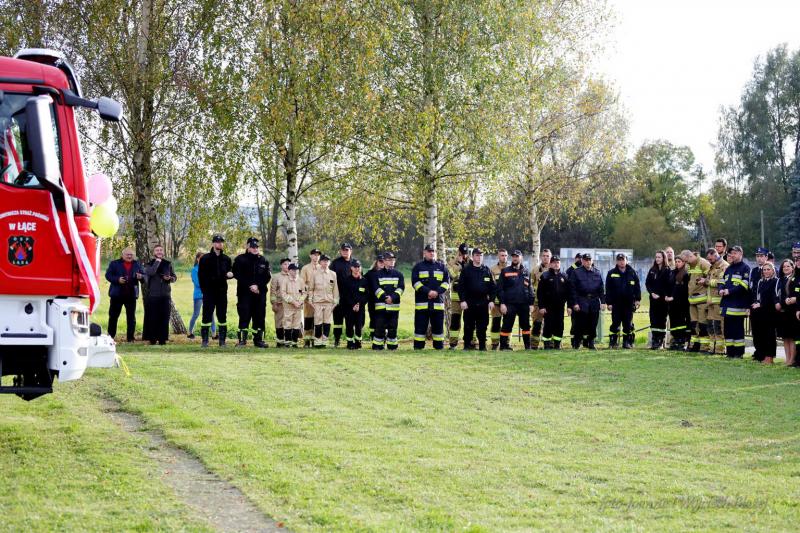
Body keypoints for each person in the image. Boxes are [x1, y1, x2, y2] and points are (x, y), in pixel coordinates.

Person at [232, 237, 271, 348]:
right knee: (244, 316)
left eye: (257, 247)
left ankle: (258, 340)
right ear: (248, 247)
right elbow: (237, 274)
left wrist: (257, 285)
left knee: (259, 317)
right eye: (253, 247)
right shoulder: (240, 259)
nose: (255, 249)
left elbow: (267, 277)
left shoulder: (263, 260)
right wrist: (250, 285)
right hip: (245, 294)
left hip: (259, 294)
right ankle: (242, 341)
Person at [411, 244, 450, 350]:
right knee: (420, 327)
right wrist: (428, 292)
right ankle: (418, 347)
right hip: (422, 304)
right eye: (429, 251)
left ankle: (439, 347)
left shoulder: (442, 267)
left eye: (433, 251)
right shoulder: (418, 267)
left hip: (437, 304)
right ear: (424, 253)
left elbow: (446, 283)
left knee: (438, 327)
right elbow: (415, 283)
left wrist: (436, 292)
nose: (432, 253)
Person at [457, 247, 496, 351]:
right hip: (469, 302)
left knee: (482, 326)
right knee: (468, 325)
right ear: (473, 257)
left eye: (481, 255)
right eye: (477, 255)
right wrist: (462, 300)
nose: (479, 257)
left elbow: (493, 287)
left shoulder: (487, 270)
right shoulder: (466, 270)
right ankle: (467, 345)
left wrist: (492, 300)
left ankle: (482, 346)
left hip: (483, 302)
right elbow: (461, 287)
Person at [198, 234, 233, 347]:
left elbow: (230, 272)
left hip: (222, 292)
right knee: (206, 316)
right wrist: (204, 291)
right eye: (217, 242)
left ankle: (222, 341)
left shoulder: (226, 259)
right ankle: (205, 341)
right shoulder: (205, 258)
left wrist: (230, 274)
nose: (220, 244)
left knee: (222, 316)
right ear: (213, 243)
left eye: (221, 242)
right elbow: (200, 276)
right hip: (209, 292)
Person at [497, 250, 534, 350]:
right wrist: (502, 303)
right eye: (513, 256)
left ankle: (527, 347)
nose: (515, 258)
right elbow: (500, 289)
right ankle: (503, 346)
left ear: (521, 258)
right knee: (507, 325)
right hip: (510, 304)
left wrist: (531, 303)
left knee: (526, 326)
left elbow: (530, 288)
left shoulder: (526, 271)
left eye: (517, 256)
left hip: (524, 304)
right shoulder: (505, 271)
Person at [140, 244, 177, 345]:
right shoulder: (149, 264)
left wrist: (170, 278)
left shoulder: (168, 264)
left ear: (163, 252)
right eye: (157, 250)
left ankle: (162, 339)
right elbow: (151, 273)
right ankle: (152, 339)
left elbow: (174, 277)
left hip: (165, 295)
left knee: (164, 318)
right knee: (153, 318)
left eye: (161, 250)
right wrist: (157, 261)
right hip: (153, 295)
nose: (159, 252)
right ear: (154, 253)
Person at [719, 245, 751, 358]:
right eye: (731, 253)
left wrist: (729, 291)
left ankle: (739, 353)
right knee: (728, 330)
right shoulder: (729, 268)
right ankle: (730, 352)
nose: (732, 255)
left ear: (741, 254)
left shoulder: (745, 268)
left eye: (735, 253)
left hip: (738, 306)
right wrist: (720, 289)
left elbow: (744, 285)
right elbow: (722, 281)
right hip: (726, 306)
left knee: (737, 331)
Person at [569, 253, 606, 350]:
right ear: (582, 261)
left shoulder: (597, 272)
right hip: (581, 300)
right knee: (580, 323)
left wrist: (603, 302)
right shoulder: (576, 272)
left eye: (589, 260)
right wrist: (575, 303)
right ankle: (577, 342)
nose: (588, 262)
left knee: (593, 323)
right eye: (586, 260)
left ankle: (591, 342)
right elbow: (572, 289)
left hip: (594, 301)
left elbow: (601, 289)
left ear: (592, 261)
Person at [105, 247, 142, 342]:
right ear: (122, 255)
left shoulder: (137, 264)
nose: (129, 256)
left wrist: (140, 276)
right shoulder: (114, 263)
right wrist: (117, 280)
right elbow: (108, 275)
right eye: (127, 254)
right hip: (117, 295)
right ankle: (110, 337)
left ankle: (130, 338)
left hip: (131, 295)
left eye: (131, 255)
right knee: (113, 317)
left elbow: (144, 275)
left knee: (131, 318)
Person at [605, 253, 641, 349]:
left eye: (623, 260)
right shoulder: (611, 273)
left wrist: (637, 299)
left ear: (626, 261)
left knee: (628, 324)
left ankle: (627, 342)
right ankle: (613, 342)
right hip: (616, 304)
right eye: (619, 260)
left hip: (629, 304)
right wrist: (609, 303)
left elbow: (637, 287)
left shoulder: (633, 273)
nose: (621, 262)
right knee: (615, 324)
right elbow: (608, 289)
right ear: (616, 261)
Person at [371, 251, 404, 350]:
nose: (392, 262)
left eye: (393, 260)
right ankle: (378, 345)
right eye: (389, 260)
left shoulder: (399, 274)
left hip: (394, 306)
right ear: (384, 261)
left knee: (393, 327)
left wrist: (392, 298)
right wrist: (385, 298)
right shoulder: (377, 274)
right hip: (381, 306)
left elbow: (401, 288)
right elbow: (376, 288)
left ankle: (392, 346)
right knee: (380, 327)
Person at [680, 250, 711, 352]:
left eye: (686, 261)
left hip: (702, 300)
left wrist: (705, 281)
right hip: (692, 301)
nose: (686, 263)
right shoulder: (689, 266)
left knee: (703, 324)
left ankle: (704, 347)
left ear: (690, 256)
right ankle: (694, 345)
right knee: (694, 325)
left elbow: (711, 277)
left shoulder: (703, 263)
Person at [537, 255, 570, 350]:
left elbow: (568, 292)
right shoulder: (545, 276)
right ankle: (547, 345)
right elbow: (540, 293)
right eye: (554, 262)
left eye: (557, 262)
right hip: (548, 306)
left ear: (560, 264)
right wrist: (541, 306)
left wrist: (569, 306)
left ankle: (557, 344)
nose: (556, 264)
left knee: (559, 325)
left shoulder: (564, 276)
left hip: (560, 306)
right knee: (548, 325)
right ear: (550, 264)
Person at [308, 254, 339, 348]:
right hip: (317, 302)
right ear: (320, 262)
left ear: (329, 262)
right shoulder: (314, 273)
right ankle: (317, 341)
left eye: (327, 261)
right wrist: (310, 300)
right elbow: (311, 288)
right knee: (318, 321)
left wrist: (335, 302)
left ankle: (324, 341)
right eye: (324, 261)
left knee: (327, 322)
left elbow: (335, 289)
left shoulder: (333, 274)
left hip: (329, 302)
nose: (325, 262)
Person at [750, 262, 777, 364]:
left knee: (769, 335)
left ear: (773, 270)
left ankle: (769, 357)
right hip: (760, 312)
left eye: (768, 269)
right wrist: (756, 303)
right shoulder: (761, 281)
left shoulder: (775, 281)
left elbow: (773, 297)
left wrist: (761, 304)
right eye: (764, 270)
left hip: (770, 312)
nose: (766, 271)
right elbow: (758, 296)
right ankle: (760, 355)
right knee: (759, 334)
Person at [705, 248, 729, 355]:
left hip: (719, 302)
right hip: (710, 302)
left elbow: (722, 282)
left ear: (715, 255)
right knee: (711, 326)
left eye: (710, 259)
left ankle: (720, 349)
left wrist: (707, 281)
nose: (709, 261)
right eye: (708, 259)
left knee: (719, 326)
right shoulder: (712, 266)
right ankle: (712, 348)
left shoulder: (724, 266)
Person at [645, 250, 671, 349]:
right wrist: (652, 293)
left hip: (663, 301)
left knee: (661, 320)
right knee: (653, 320)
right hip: (653, 300)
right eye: (656, 257)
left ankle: (660, 340)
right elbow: (648, 283)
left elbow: (669, 285)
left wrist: (664, 295)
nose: (657, 259)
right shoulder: (652, 270)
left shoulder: (667, 270)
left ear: (664, 258)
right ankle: (654, 339)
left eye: (659, 257)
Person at [330, 243, 354, 347]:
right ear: (340, 251)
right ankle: (337, 339)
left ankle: (350, 340)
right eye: (343, 250)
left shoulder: (355, 263)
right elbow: (330, 279)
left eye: (347, 250)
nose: (345, 252)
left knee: (350, 320)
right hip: (338, 296)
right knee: (337, 320)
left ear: (350, 251)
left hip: (350, 297)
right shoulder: (335, 263)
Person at [189, 251, 216, 340]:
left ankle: (214, 334)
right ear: (197, 259)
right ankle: (190, 332)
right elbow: (198, 283)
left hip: (208, 295)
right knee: (196, 314)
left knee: (211, 314)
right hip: (199, 295)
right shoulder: (194, 270)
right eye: (201, 258)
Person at [342, 260, 369, 349]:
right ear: (351, 268)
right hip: (349, 307)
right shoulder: (347, 280)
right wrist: (353, 304)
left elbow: (366, 295)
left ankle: (358, 342)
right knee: (349, 325)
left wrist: (359, 304)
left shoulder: (364, 281)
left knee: (359, 325)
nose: (357, 269)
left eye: (358, 267)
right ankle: (350, 343)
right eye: (355, 267)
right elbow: (345, 295)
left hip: (360, 307)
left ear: (360, 268)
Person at [447, 243, 469, 349]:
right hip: (456, 297)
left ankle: (470, 342)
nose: (464, 256)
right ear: (458, 252)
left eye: (465, 253)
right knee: (455, 321)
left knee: (469, 321)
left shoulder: (471, 262)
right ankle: (453, 343)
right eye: (462, 253)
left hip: (468, 297)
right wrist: (459, 264)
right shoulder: (452, 262)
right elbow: (452, 276)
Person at [278, 263, 306, 348]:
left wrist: (299, 302)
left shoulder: (301, 280)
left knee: (296, 324)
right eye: (293, 270)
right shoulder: (285, 281)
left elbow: (304, 293)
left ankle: (294, 343)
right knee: (288, 324)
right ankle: (287, 342)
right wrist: (293, 302)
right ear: (289, 271)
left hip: (298, 307)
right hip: (289, 307)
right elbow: (283, 294)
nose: (296, 271)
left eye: (297, 270)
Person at [776, 259, 797, 366]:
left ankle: (792, 359)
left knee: (792, 337)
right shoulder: (780, 280)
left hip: (791, 311)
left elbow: (794, 294)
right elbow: (778, 293)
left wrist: (788, 301)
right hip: (782, 312)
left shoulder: (795, 279)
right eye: (784, 266)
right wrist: (778, 303)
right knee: (785, 337)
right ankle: (787, 358)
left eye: (788, 266)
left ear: (792, 267)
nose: (785, 268)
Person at [530, 249, 552, 350]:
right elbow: (530, 286)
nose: (545, 258)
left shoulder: (554, 269)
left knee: (550, 324)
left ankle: (550, 344)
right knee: (537, 324)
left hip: (551, 303)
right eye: (544, 256)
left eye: (547, 256)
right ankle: (534, 345)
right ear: (541, 257)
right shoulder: (535, 270)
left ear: (550, 257)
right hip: (538, 303)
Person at [668, 256, 691, 350]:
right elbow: (670, 286)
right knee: (673, 322)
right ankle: (675, 340)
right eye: (676, 261)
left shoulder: (685, 274)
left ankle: (681, 341)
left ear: (683, 263)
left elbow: (684, 289)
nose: (677, 263)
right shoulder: (672, 272)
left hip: (682, 303)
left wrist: (674, 296)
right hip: (672, 303)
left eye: (679, 261)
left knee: (680, 322)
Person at [300, 248, 321, 347]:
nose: (316, 257)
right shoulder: (305, 268)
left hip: (320, 298)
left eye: (318, 255)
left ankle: (316, 339)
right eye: (314, 255)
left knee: (318, 319)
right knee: (308, 318)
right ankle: (307, 340)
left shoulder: (322, 267)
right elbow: (302, 283)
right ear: (310, 256)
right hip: (308, 298)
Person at [489, 249, 509, 350]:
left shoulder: (511, 269)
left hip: (508, 302)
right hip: (496, 302)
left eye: (505, 255)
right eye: (502, 255)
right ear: (498, 256)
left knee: (507, 324)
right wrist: (491, 300)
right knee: (496, 322)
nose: (504, 257)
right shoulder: (492, 269)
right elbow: (491, 286)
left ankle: (506, 344)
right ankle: (494, 344)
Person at [270, 258, 290, 347]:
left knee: (289, 322)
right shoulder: (276, 277)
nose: (287, 266)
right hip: (280, 303)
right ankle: (280, 342)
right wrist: (274, 303)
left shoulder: (293, 276)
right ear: (281, 265)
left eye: (288, 264)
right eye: (285, 264)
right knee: (279, 322)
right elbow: (273, 291)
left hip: (290, 304)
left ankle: (288, 342)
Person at [565, 252, 584, 348]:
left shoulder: (585, 268)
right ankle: (574, 342)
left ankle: (582, 341)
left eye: (581, 258)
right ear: (575, 259)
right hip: (573, 300)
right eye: (578, 258)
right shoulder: (570, 270)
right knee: (575, 323)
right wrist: (569, 305)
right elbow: (569, 289)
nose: (580, 260)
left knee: (584, 322)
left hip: (583, 300)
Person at [365, 254, 385, 340]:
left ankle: (383, 335)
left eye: (383, 261)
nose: (382, 263)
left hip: (384, 300)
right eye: (380, 261)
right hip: (372, 300)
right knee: (373, 318)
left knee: (383, 319)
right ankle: (372, 335)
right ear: (376, 262)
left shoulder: (387, 273)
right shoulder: (370, 273)